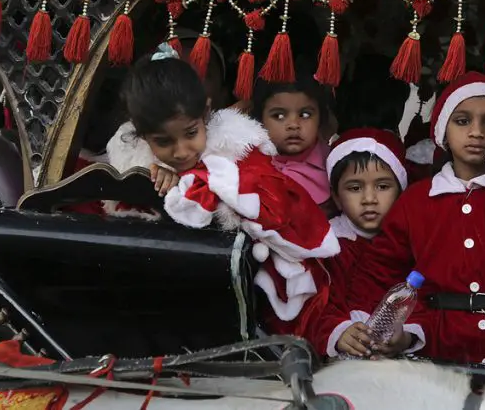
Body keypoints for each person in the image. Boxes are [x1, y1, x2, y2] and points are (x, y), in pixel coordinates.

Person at [105, 46, 340, 331]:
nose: (181, 152)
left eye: (191, 133)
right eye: (163, 142)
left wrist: (191, 181)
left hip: (243, 291)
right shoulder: (137, 164)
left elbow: (262, 205)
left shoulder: (239, 149)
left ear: (205, 111)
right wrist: (148, 178)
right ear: (143, 136)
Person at [342, 72, 485, 366]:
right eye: (462, 121)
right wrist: (364, 329)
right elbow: (379, 272)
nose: (476, 132)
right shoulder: (417, 200)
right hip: (438, 343)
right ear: (442, 131)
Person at [319, 129, 409, 358]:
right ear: (337, 197)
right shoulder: (326, 246)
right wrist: (337, 332)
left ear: (401, 192)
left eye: (382, 186)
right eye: (355, 188)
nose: (369, 199)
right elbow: (314, 307)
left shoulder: (411, 243)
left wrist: (405, 336)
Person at [253, 71, 333, 211]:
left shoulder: (334, 164)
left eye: (305, 114)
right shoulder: (247, 164)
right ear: (260, 120)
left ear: (320, 118)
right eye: (278, 115)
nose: (293, 124)